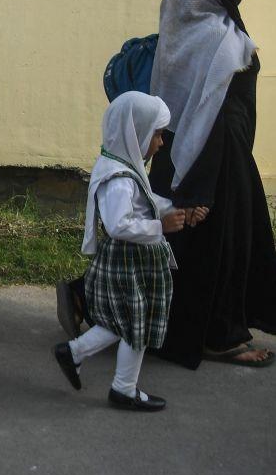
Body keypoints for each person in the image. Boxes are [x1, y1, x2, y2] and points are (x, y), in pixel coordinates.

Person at [147, 0, 276, 369]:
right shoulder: (215, 38)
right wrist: (201, 186)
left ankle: (96, 305)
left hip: (178, 155)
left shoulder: (183, 28)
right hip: (213, 163)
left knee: (164, 243)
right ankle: (218, 337)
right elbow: (210, 117)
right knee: (216, 251)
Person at [53, 92, 195, 411]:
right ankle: (123, 389)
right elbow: (119, 224)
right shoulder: (118, 178)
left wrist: (177, 210)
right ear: (137, 132)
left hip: (133, 259)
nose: (160, 142)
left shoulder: (122, 162)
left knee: (127, 321)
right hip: (129, 259)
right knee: (135, 324)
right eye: (157, 134)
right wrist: (161, 227)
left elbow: (145, 199)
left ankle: (74, 353)